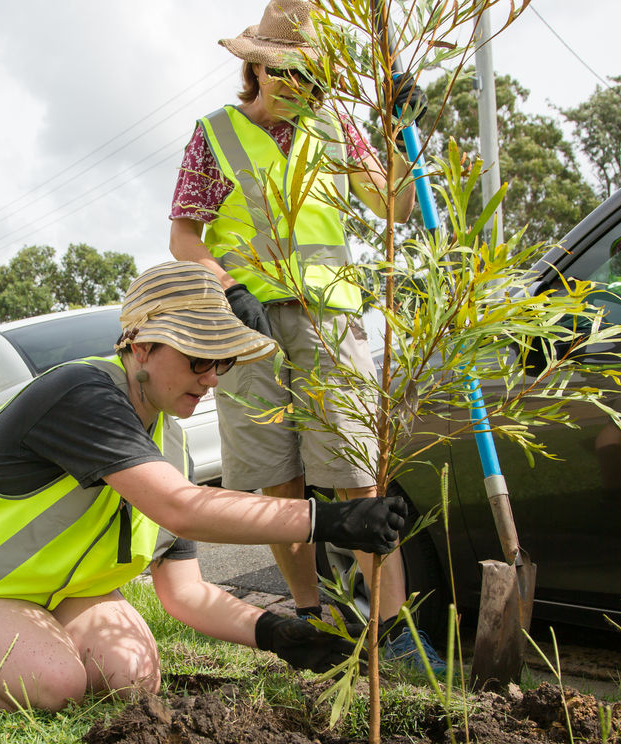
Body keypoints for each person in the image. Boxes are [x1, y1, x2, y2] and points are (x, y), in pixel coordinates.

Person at [0, 262, 413, 712]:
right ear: (139, 348)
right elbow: (181, 508)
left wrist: (272, 633)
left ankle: (30, 634)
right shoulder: (81, 393)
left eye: (222, 362)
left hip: (58, 594)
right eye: (198, 358)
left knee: (135, 678)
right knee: (55, 684)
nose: (212, 378)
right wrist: (331, 520)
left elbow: (185, 592)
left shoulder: (169, 441)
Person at [167, 0, 444, 670]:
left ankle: (393, 633)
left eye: (313, 77)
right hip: (247, 326)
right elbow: (183, 239)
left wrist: (404, 133)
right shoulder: (215, 135)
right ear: (256, 67)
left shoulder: (336, 123)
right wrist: (230, 290)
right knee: (278, 487)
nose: (300, 87)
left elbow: (394, 207)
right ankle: (313, 620)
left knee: (357, 477)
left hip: (331, 319)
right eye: (287, 73)